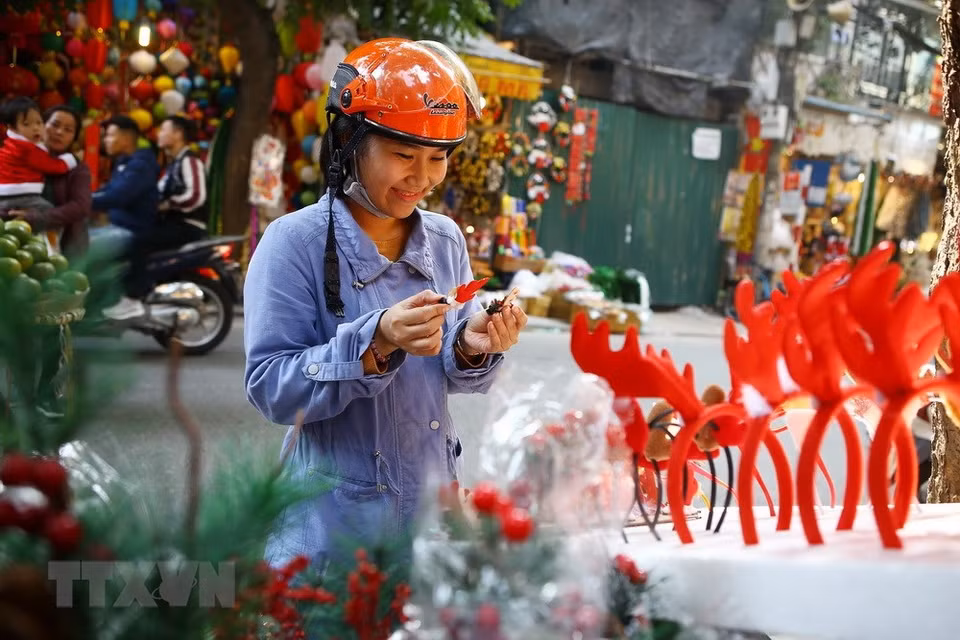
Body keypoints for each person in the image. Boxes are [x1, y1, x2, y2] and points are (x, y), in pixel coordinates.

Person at [243, 38, 528, 575]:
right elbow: (270, 389)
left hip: (428, 526)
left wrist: (470, 344)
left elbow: (447, 371)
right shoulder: (293, 243)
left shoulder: (445, 239)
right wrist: (375, 341)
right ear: (349, 141)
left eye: (438, 158)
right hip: (330, 537)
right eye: (403, 155)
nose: (423, 177)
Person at [90, 114, 159, 320]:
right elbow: (108, 191)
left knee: (82, 245)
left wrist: (83, 202)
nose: (106, 140)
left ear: (127, 138)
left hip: (131, 230)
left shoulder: (140, 165)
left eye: (110, 135)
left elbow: (118, 196)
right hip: (117, 226)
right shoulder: (124, 163)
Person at [0, 105, 92, 258]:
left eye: (68, 130)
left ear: (74, 138)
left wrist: (36, 218)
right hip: (15, 244)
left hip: (66, 250)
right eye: (55, 125)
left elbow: (80, 206)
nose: (59, 132)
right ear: (41, 125)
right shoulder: (18, 157)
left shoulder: (77, 169)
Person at [0, 96, 78, 212]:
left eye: (39, 122)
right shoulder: (28, 149)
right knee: (49, 213)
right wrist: (69, 160)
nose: (35, 128)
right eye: (26, 124)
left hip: (3, 195)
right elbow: (52, 166)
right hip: (22, 195)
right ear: (12, 128)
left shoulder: (9, 145)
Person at [155, 115, 208, 247]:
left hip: (188, 227)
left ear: (178, 134)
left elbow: (195, 196)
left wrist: (167, 204)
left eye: (163, 130)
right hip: (173, 225)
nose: (159, 134)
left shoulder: (189, 160)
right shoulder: (174, 164)